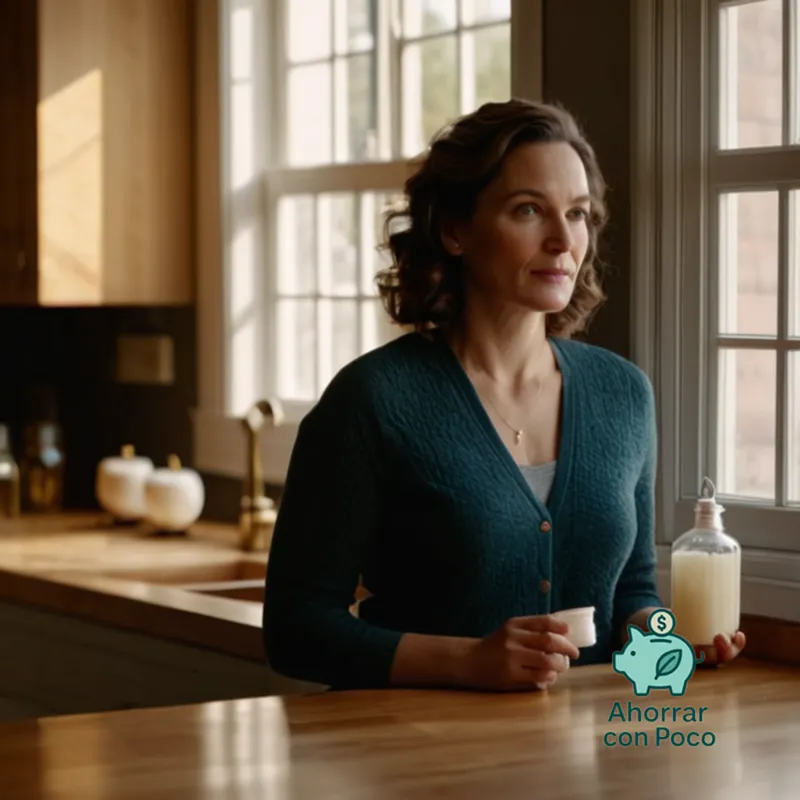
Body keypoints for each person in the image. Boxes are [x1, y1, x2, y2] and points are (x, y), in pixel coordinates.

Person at [262, 98, 746, 692]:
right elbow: (295, 628)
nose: (562, 240)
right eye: (528, 210)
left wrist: (673, 640)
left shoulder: (624, 394)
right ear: (455, 229)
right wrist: (467, 661)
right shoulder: (372, 401)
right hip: (418, 760)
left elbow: (630, 594)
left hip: (588, 765)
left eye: (578, 214)